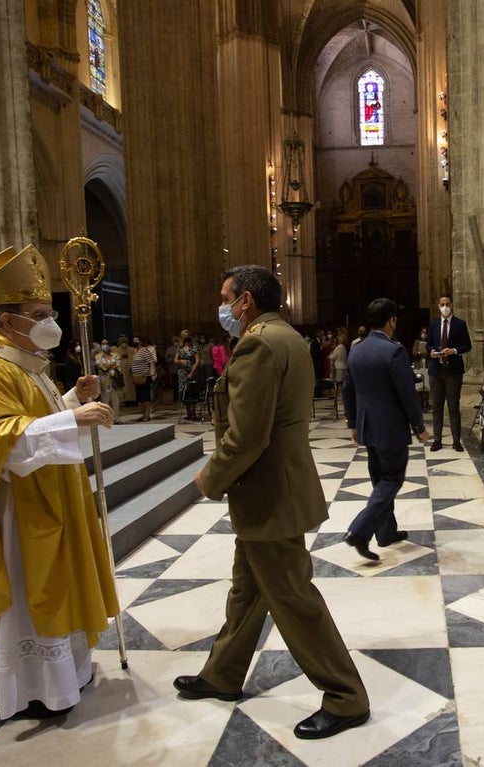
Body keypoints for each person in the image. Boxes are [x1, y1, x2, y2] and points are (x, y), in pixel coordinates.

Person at [173, 265, 370, 740]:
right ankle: (222, 675)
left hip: (268, 491)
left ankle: (345, 696)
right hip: (278, 484)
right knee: (248, 590)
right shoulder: (287, 337)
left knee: (293, 598)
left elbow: (246, 436)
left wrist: (210, 478)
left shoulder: (258, 343)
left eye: (226, 297)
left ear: (245, 301)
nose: (221, 307)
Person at [0, 244, 118, 721]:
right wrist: (73, 420)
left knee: (58, 585)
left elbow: (34, 419)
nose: (49, 321)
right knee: (32, 593)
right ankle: (37, 690)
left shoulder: (25, 359)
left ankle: (71, 675)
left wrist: (68, 401)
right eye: (39, 313)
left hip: (51, 495)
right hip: (19, 510)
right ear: (6, 320)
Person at [342, 298, 429, 561]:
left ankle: (386, 532)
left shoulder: (356, 348)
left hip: (368, 427)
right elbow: (406, 394)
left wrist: (352, 423)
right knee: (392, 479)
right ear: (391, 320)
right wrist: (419, 426)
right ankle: (359, 530)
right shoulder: (395, 351)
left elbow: (348, 389)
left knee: (380, 480)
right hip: (390, 428)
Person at [426, 295, 472, 451]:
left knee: (453, 407)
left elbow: (467, 345)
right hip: (436, 370)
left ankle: (456, 441)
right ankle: (437, 440)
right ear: (438, 306)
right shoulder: (433, 324)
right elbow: (429, 344)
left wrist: (454, 350)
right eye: (442, 304)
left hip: (453, 371)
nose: (444, 307)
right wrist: (431, 351)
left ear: (452, 305)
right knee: (437, 407)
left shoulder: (460, 324)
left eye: (447, 304)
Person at [94, 338, 122, 421]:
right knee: (105, 400)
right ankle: (107, 418)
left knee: (115, 400)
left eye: (106, 343)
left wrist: (112, 367)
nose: (105, 345)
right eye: (103, 344)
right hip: (103, 380)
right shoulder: (97, 356)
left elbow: (119, 366)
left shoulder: (115, 355)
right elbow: (101, 366)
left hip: (114, 380)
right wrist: (111, 365)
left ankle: (116, 418)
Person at [174, 335, 201, 420]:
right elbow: (175, 360)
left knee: (192, 391)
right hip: (182, 372)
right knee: (184, 392)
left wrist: (192, 372)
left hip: (192, 371)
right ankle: (188, 412)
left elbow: (197, 361)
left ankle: (193, 412)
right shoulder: (180, 349)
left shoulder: (194, 348)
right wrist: (181, 361)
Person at [130, 334, 156, 421]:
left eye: (136, 340)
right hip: (136, 377)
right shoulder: (134, 351)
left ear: (140, 341)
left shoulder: (145, 350)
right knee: (140, 397)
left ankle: (147, 414)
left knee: (145, 397)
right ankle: (143, 413)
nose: (134, 342)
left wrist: (152, 374)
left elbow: (151, 362)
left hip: (145, 376)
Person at [116, 334, 136, 405]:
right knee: (123, 386)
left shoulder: (132, 349)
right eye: (122, 342)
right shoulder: (117, 350)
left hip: (130, 371)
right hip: (122, 371)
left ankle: (132, 399)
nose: (124, 344)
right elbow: (116, 359)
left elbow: (133, 359)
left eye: (125, 342)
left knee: (131, 386)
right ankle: (124, 400)